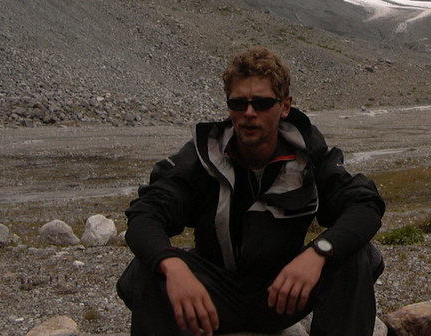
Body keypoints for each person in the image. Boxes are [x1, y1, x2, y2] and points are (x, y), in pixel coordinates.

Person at [117, 47, 385, 336]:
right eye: (238, 103)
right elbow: (145, 213)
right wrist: (171, 265)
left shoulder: (309, 157)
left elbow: (365, 203)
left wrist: (319, 252)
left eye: (261, 103)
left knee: (357, 255)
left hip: (283, 292)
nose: (248, 113)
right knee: (148, 267)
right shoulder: (203, 157)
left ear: (285, 106)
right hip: (213, 295)